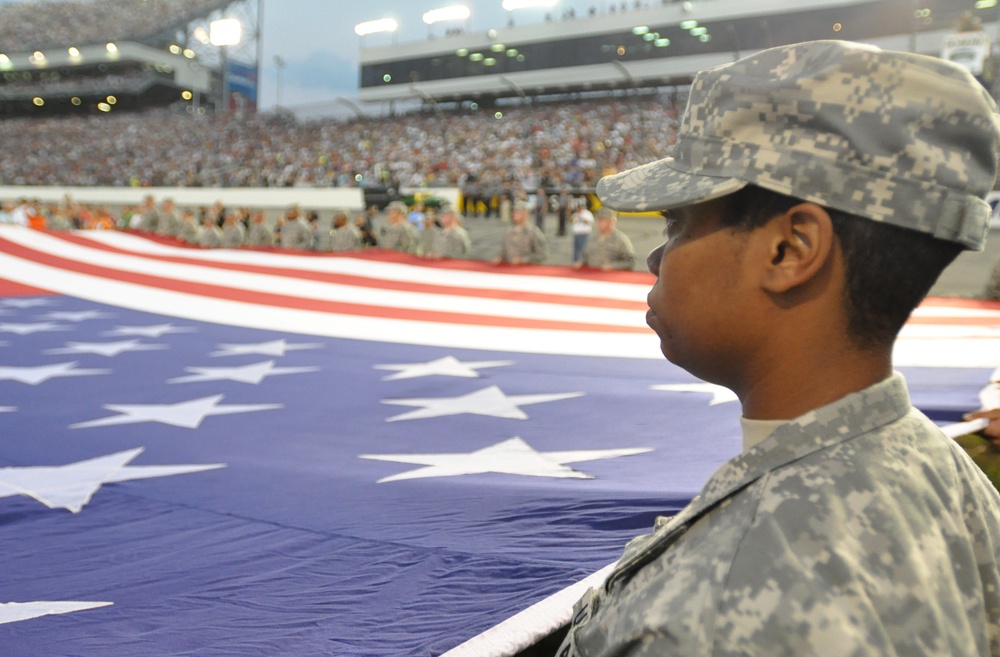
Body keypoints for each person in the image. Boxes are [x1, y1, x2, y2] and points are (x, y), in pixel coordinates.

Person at [553, 40, 1000, 657]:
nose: (657, 256)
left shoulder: (711, 615)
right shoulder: (947, 478)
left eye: (679, 222)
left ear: (789, 251)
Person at [494, 199, 548, 265]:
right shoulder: (508, 231)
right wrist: (499, 257)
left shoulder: (533, 232)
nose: (514, 214)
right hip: (509, 269)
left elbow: (542, 254)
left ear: (526, 214)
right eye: (513, 212)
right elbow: (504, 251)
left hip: (526, 270)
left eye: (518, 211)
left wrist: (523, 260)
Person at [569, 198, 594, 264]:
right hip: (576, 234)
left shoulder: (587, 213)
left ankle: (585, 262)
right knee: (576, 249)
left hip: (584, 234)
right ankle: (575, 261)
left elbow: (589, 222)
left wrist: (581, 218)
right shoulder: (575, 214)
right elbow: (570, 221)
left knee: (583, 249)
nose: (578, 209)